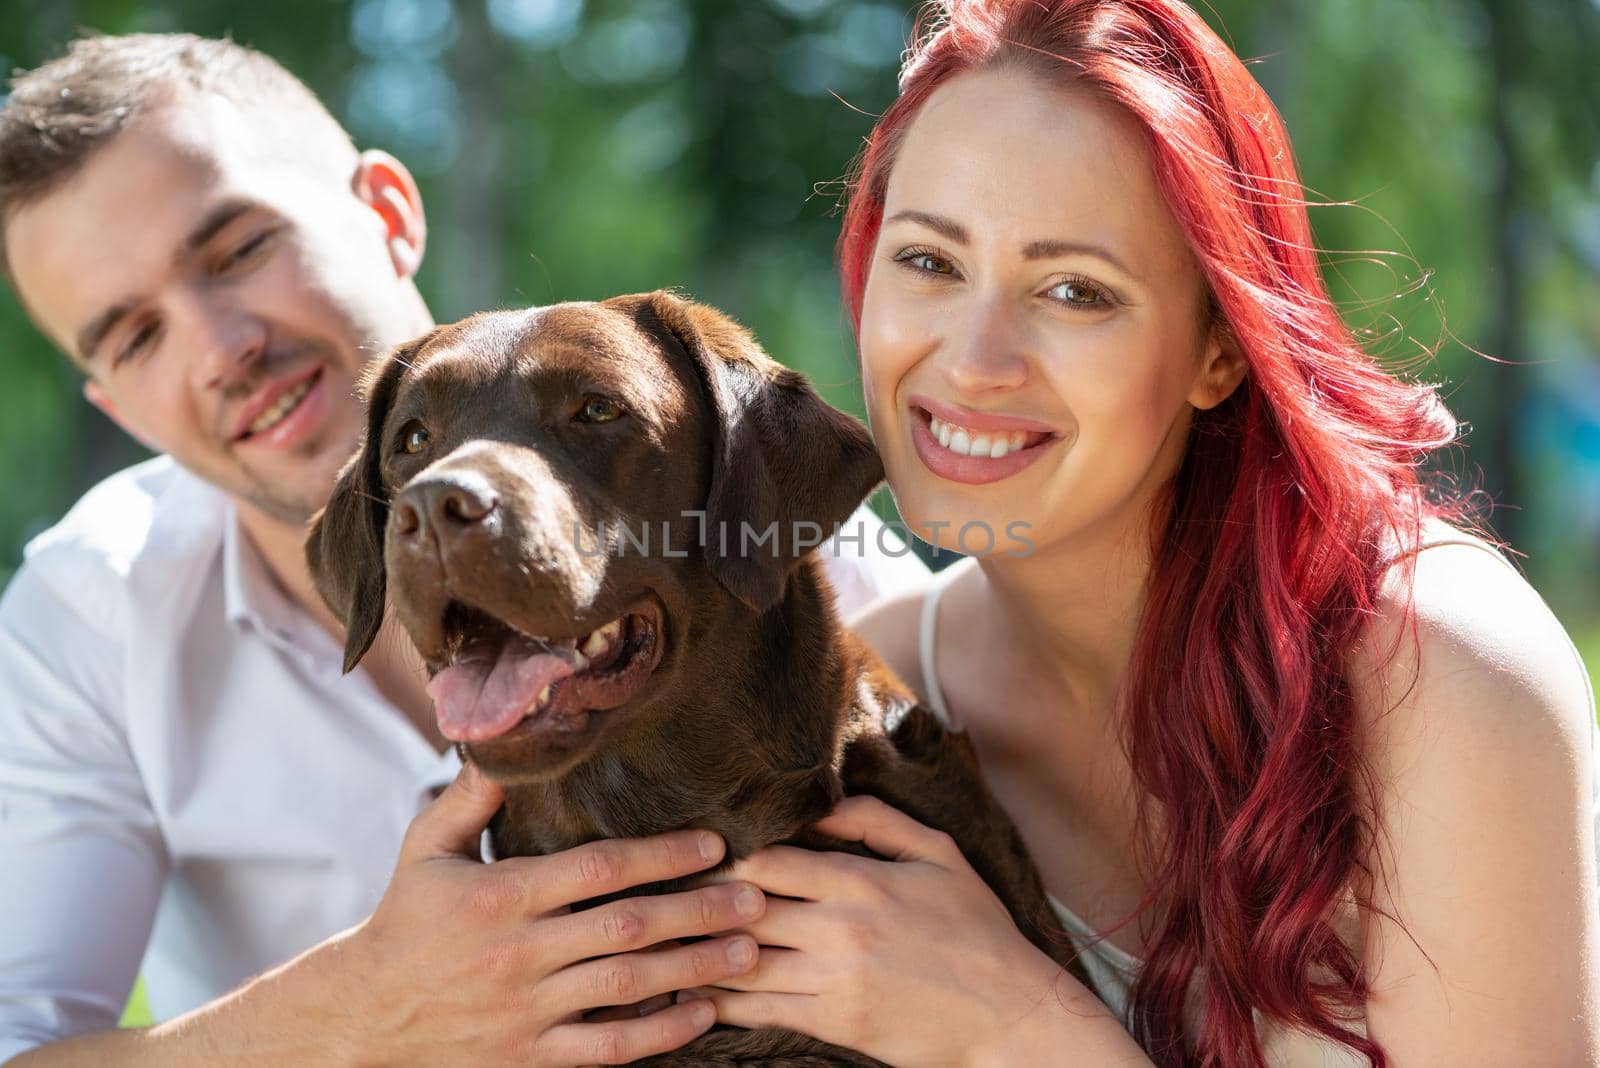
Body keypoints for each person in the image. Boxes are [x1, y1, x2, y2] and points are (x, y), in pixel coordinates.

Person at [684, 2, 1600, 1065]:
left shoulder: (1436, 673)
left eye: (1075, 291)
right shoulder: (881, 702)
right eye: (929, 263)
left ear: (1219, 351)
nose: (972, 361)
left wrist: (1015, 1028)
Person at [0, 33, 928, 1065]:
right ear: (110, 400)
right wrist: (357, 1009)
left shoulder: (699, 462)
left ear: (387, 213)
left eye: (238, 251)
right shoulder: (85, 615)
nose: (222, 349)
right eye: (133, 336)